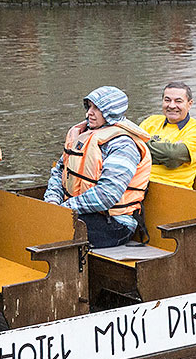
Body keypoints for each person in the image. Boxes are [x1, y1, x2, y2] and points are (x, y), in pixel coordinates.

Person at [44, 86, 154, 249]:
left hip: (115, 225)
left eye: (97, 108)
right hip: (79, 212)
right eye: (89, 106)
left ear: (111, 112)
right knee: (38, 220)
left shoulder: (124, 145)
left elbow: (107, 194)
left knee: (49, 228)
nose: (89, 113)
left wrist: (64, 210)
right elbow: (60, 171)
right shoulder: (83, 136)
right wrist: (52, 201)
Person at [139, 82, 196, 188]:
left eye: (178, 101)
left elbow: (174, 155)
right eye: (167, 100)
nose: (172, 106)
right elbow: (131, 146)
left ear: (189, 104)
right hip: (140, 183)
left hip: (174, 191)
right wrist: (166, 155)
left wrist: (146, 150)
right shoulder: (150, 122)